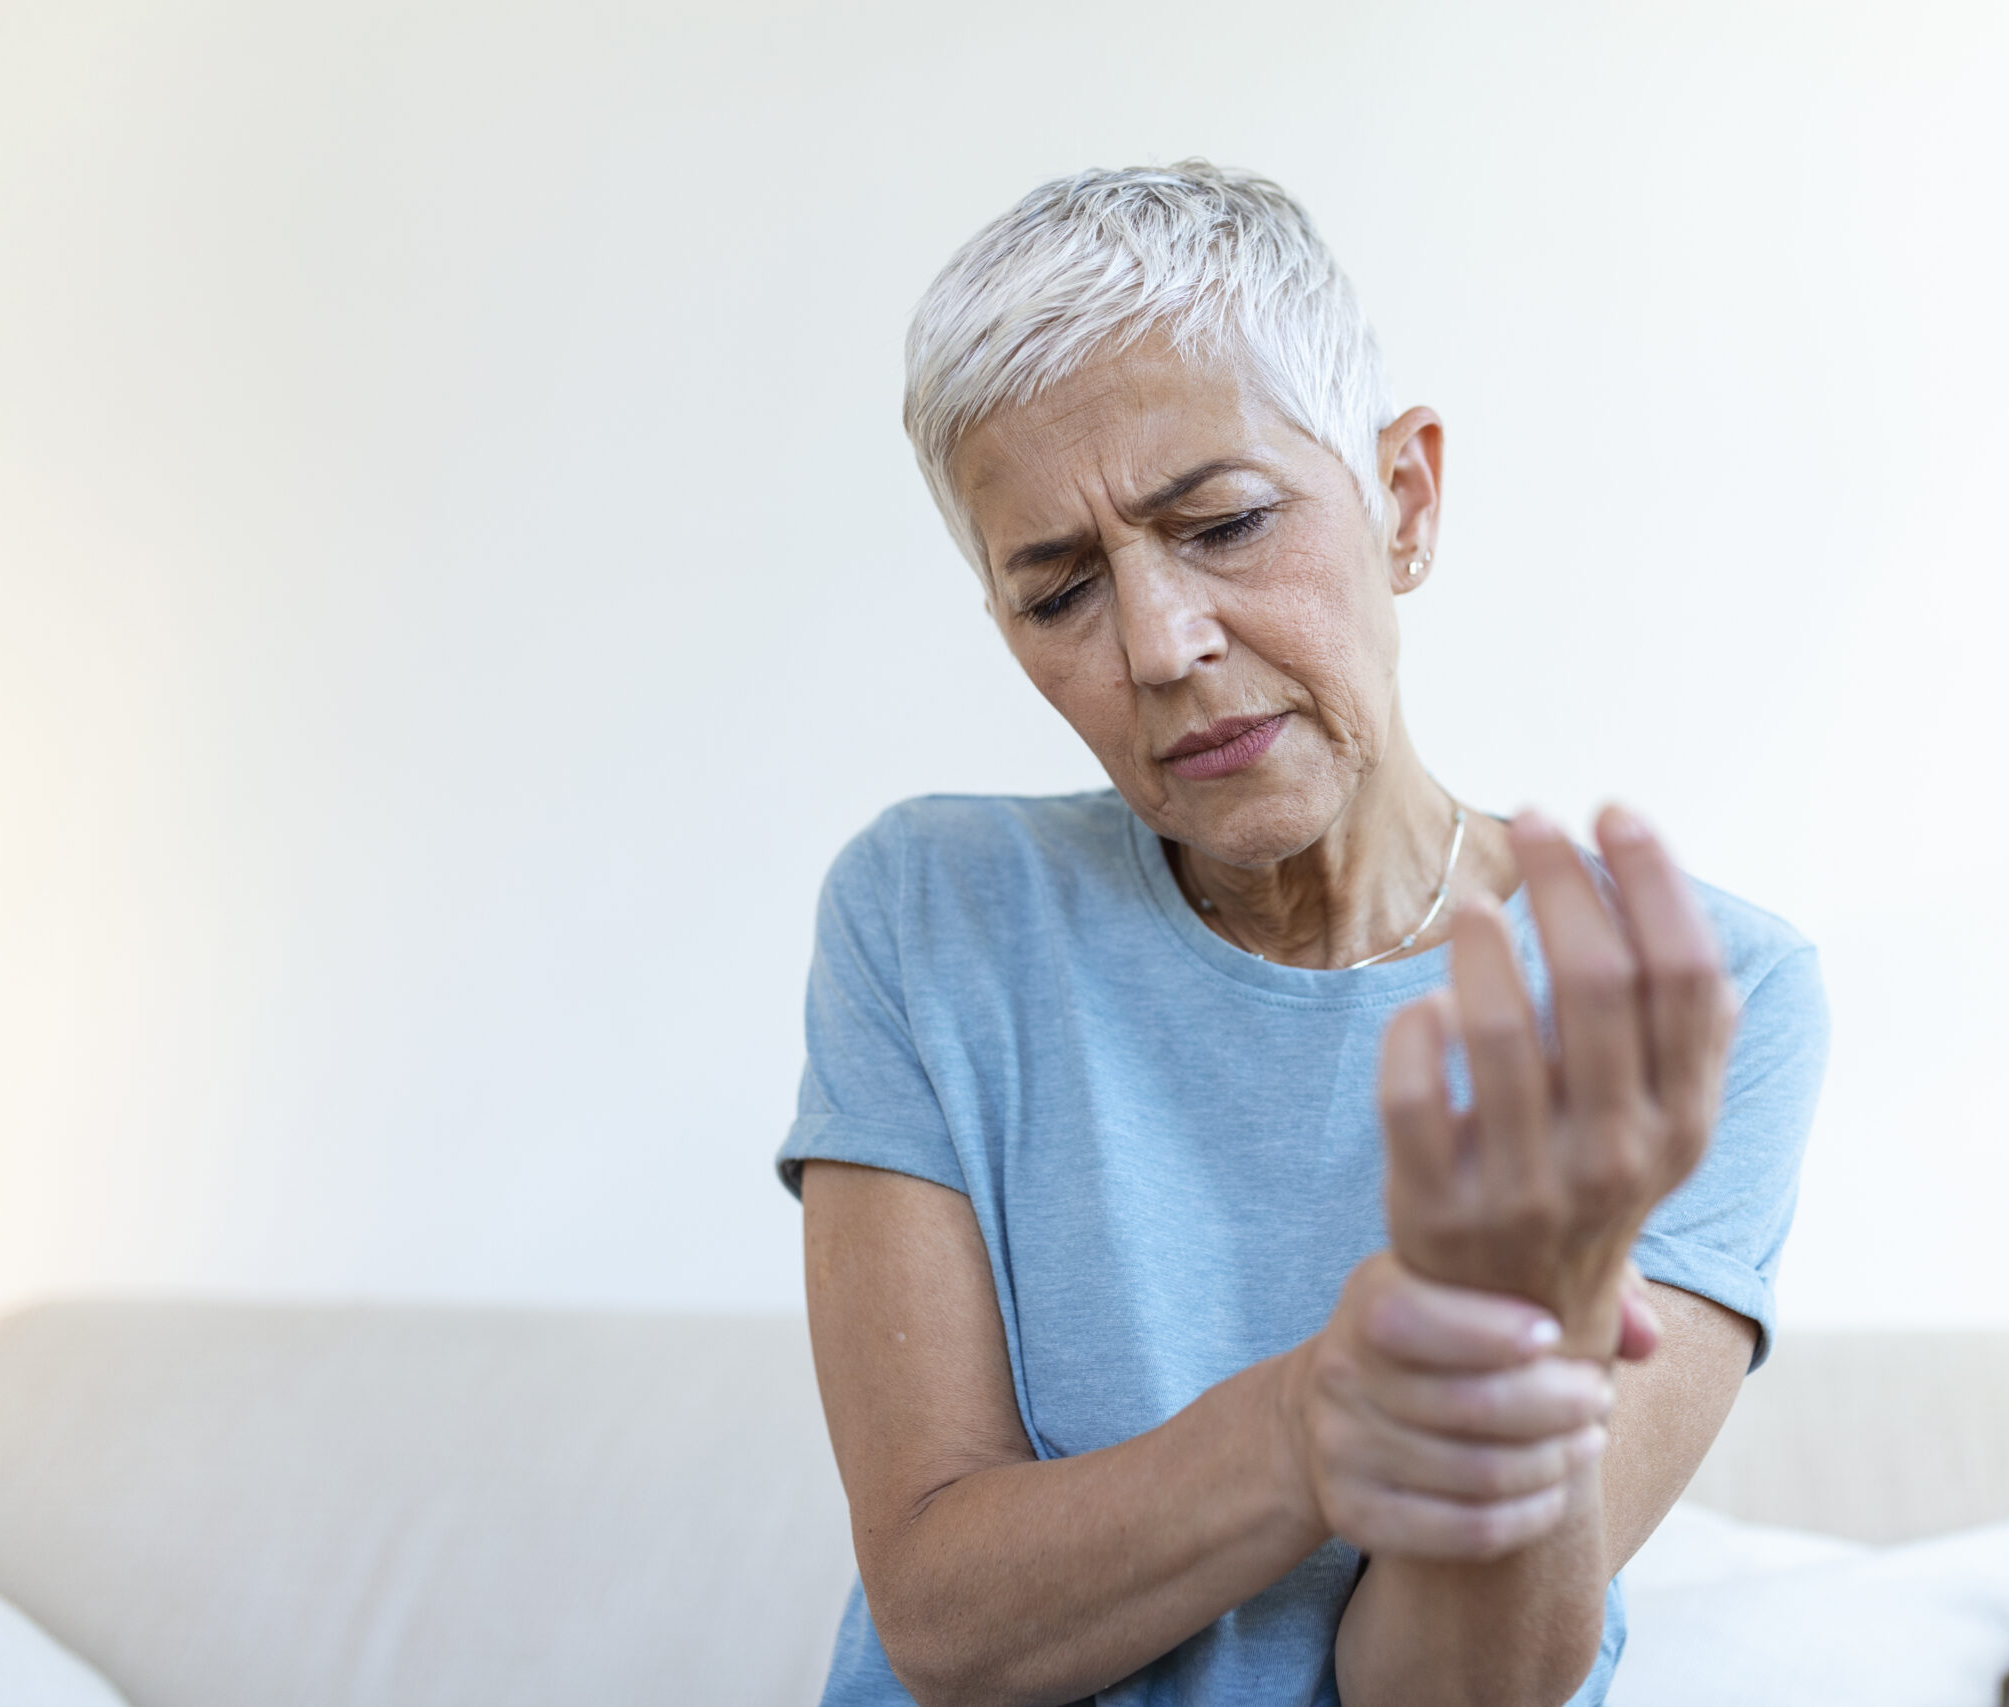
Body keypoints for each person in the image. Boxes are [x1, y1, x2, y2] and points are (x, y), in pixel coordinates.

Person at [777, 161, 1828, 1707]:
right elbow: (946, 1620)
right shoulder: (930, 914)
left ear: (1403, 499)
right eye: (1060, 591)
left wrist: (1530, 1322)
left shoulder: (1700, 1002)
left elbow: (1447, 1690)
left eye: (1224, 523)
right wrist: (1315, 1422)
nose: (1159, 644)